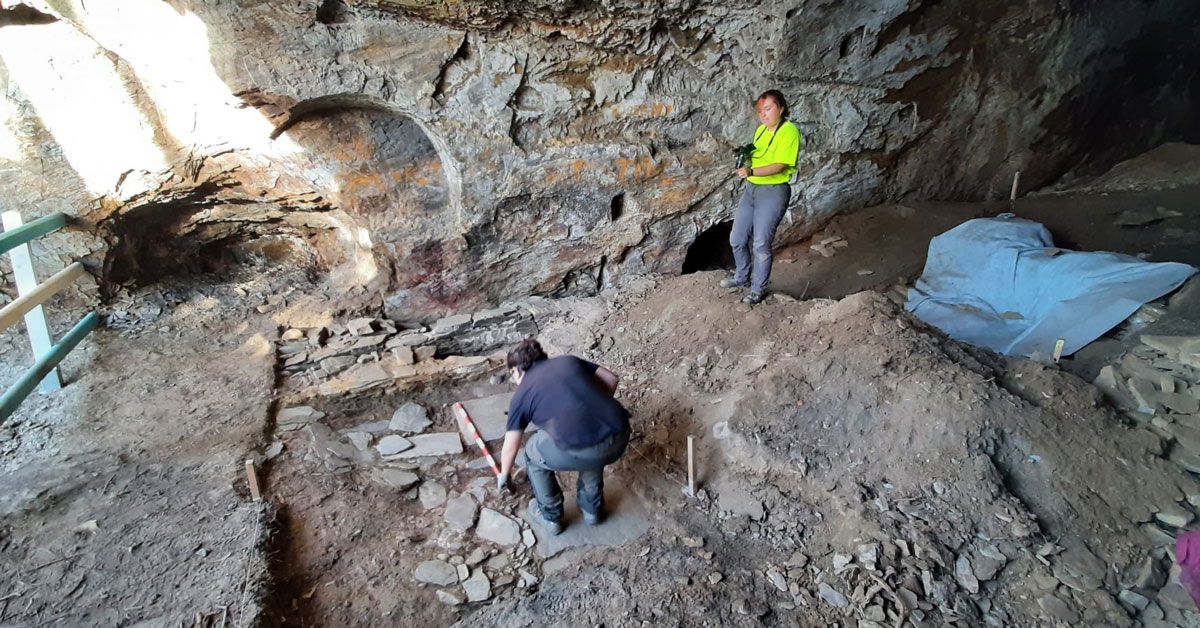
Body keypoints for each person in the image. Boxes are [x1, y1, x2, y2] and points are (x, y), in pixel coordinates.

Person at [496, 338, 631, 535]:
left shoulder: (522, 394)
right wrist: (593, 412)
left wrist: (504, 474)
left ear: (516, 370)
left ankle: (552, 517)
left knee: (532, 455)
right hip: (619, 434)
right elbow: (611, 379)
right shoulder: (569, 361)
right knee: (591, 442)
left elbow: (511, 444)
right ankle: (591, 510)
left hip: (583, 447)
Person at [720, 89, 803, 305]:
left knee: (760, 243)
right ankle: (741, 277)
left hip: (774, 191)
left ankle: (758, 289)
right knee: (737, 238)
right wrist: (744, 160)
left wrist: (752, 172)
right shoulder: (760, 131)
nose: (763, 115)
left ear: (781, 108)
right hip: (752, 190)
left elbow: (780, 164)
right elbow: (755, 155)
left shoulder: (789, 131)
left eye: (768, 109)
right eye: (760, 111)